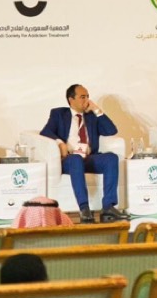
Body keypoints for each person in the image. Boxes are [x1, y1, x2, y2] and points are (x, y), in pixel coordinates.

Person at [41, 83, 129, 224]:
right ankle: (84, 208)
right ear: (71, 99)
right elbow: (46, 131)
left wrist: (97, 110)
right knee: (76, 159)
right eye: (82, 97)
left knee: (111, 158)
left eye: (87, 96)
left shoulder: (91, 116)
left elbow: (111, 130)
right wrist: (60, 143)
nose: (87, 100)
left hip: (89, 158)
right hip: (70, 159)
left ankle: (108, 207)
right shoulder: (59, 114)